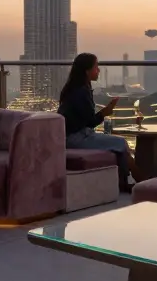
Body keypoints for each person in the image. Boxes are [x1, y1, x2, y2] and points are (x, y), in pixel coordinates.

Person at [58, 53, 141, 191]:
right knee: (121, 143)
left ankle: (128, 181)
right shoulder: (81, 92)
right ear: (87, 71)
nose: (99, 70)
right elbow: (90, 122)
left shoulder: (76, 88)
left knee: (121, 147)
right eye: (96, 66)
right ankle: (139, 181)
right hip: (75, 137)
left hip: (73, 135)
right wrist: (105, 112)